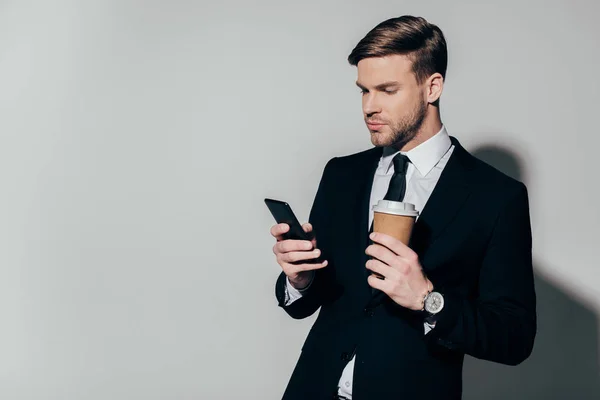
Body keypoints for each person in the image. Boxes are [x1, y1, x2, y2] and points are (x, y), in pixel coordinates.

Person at [269, 15, 536, 400]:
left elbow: (514, 338)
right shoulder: (341, 174)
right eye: (364, 90)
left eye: (387, 90)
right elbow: (318, 301)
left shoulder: (496, 197)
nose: (369, 106)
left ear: (432, 87)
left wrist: (428, 298)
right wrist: (301, 280)